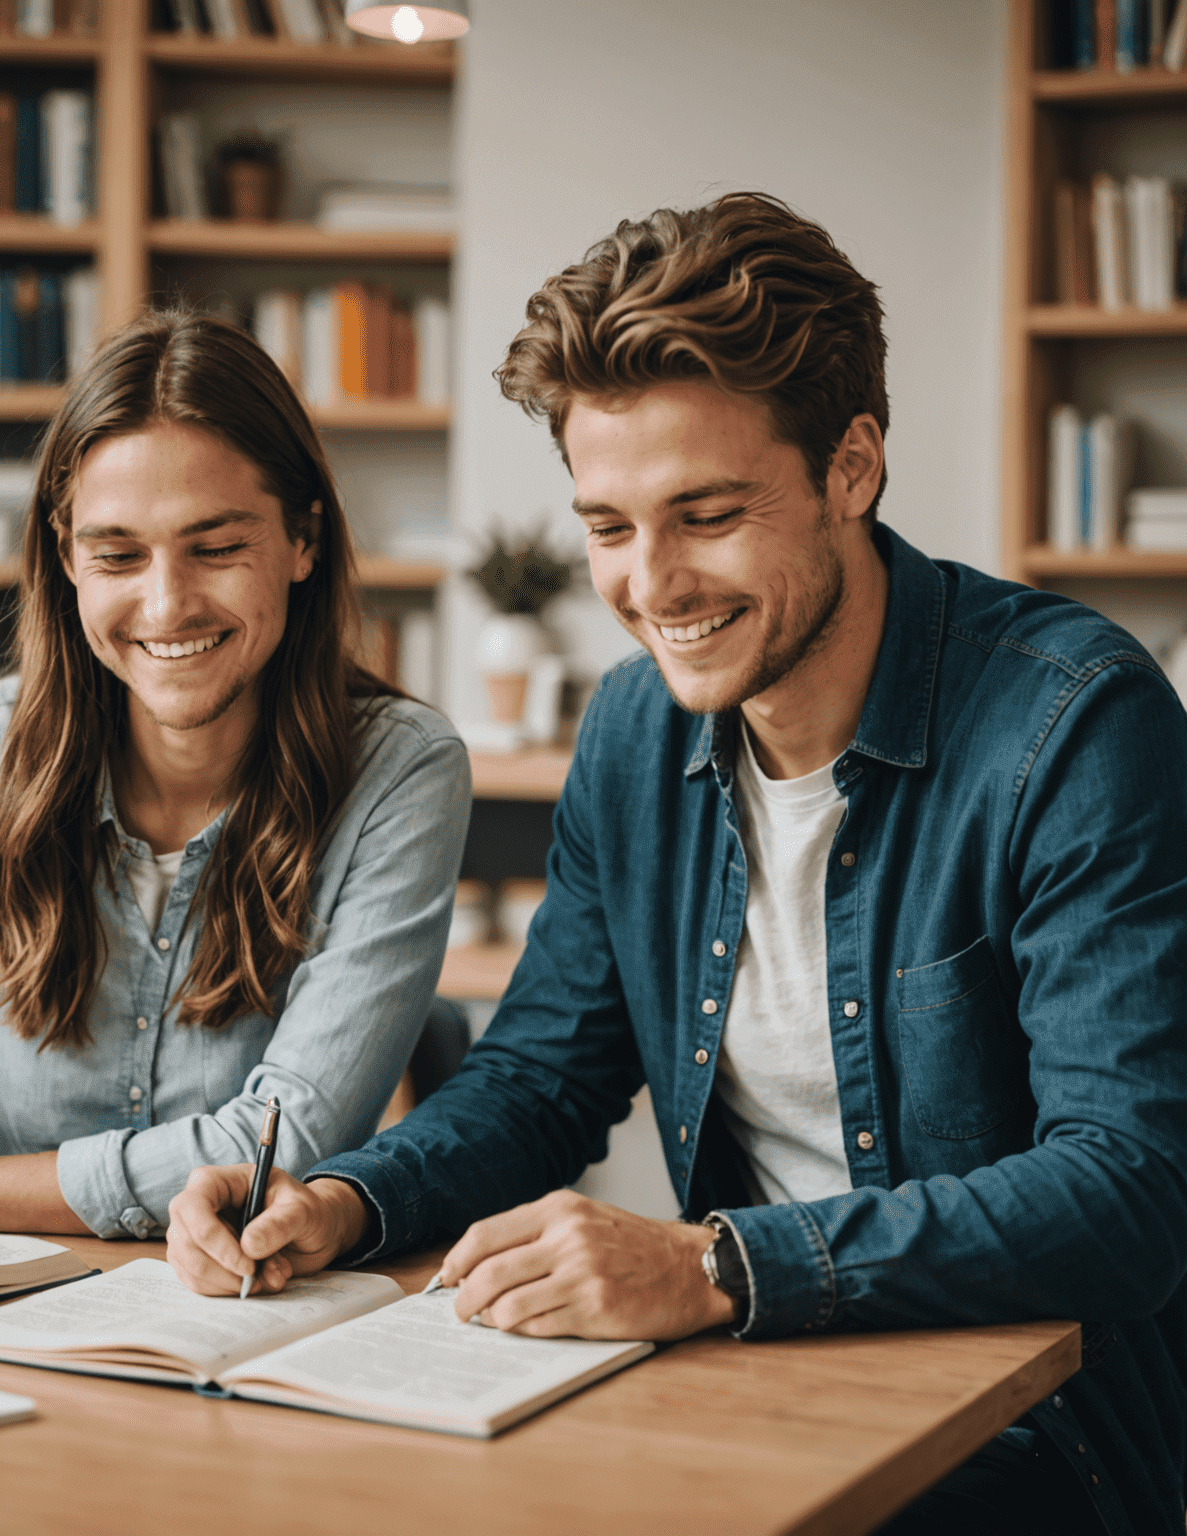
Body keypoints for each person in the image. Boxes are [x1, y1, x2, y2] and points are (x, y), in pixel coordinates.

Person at [165, 197, 1187, 1536]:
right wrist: (349, 1200)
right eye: (608, 526)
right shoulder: (637, 733)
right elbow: (542, 1078)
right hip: (754, 1396)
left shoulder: (1075, 723)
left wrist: (715, 1266)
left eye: (705, 514)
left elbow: (1127, 1191)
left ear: (854, 466)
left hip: (1039, 1440)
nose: (653, 586)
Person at [0, 309, 471, 1268]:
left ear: (303, 539)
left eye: (217, 545)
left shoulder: (404, 771)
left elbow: (277, 1142)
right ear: (66, 556)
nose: (167, 605)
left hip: (253, 1311)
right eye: (118, 554)